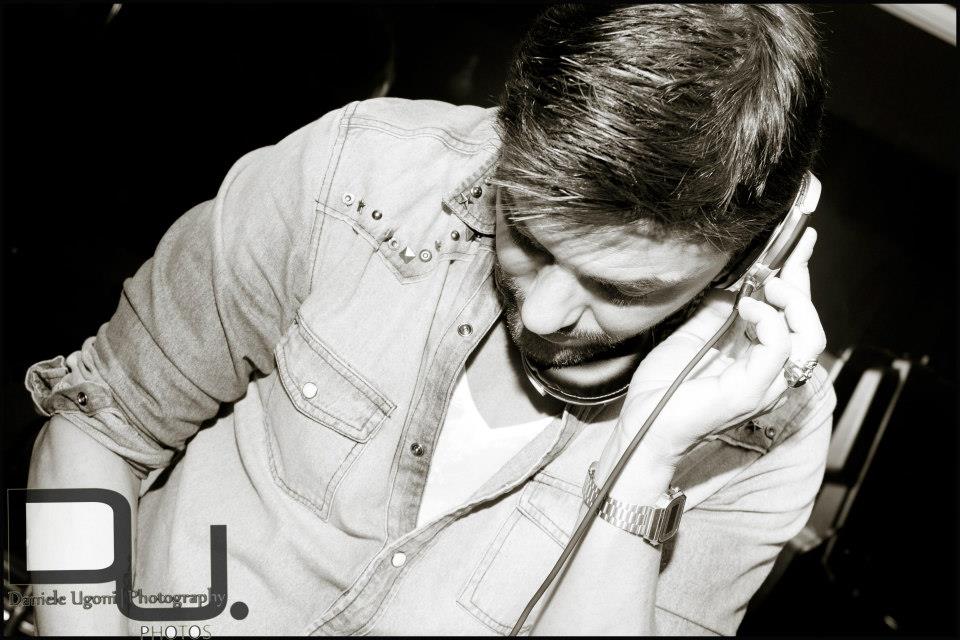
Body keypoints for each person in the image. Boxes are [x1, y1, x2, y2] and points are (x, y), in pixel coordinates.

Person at [25, 3, 835, 635]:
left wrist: (646, 468)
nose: (543, 313)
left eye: (621, 288)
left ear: (757, 254)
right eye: (527, 235)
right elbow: (99, 426)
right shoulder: (353, 172)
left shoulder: (768, 432)